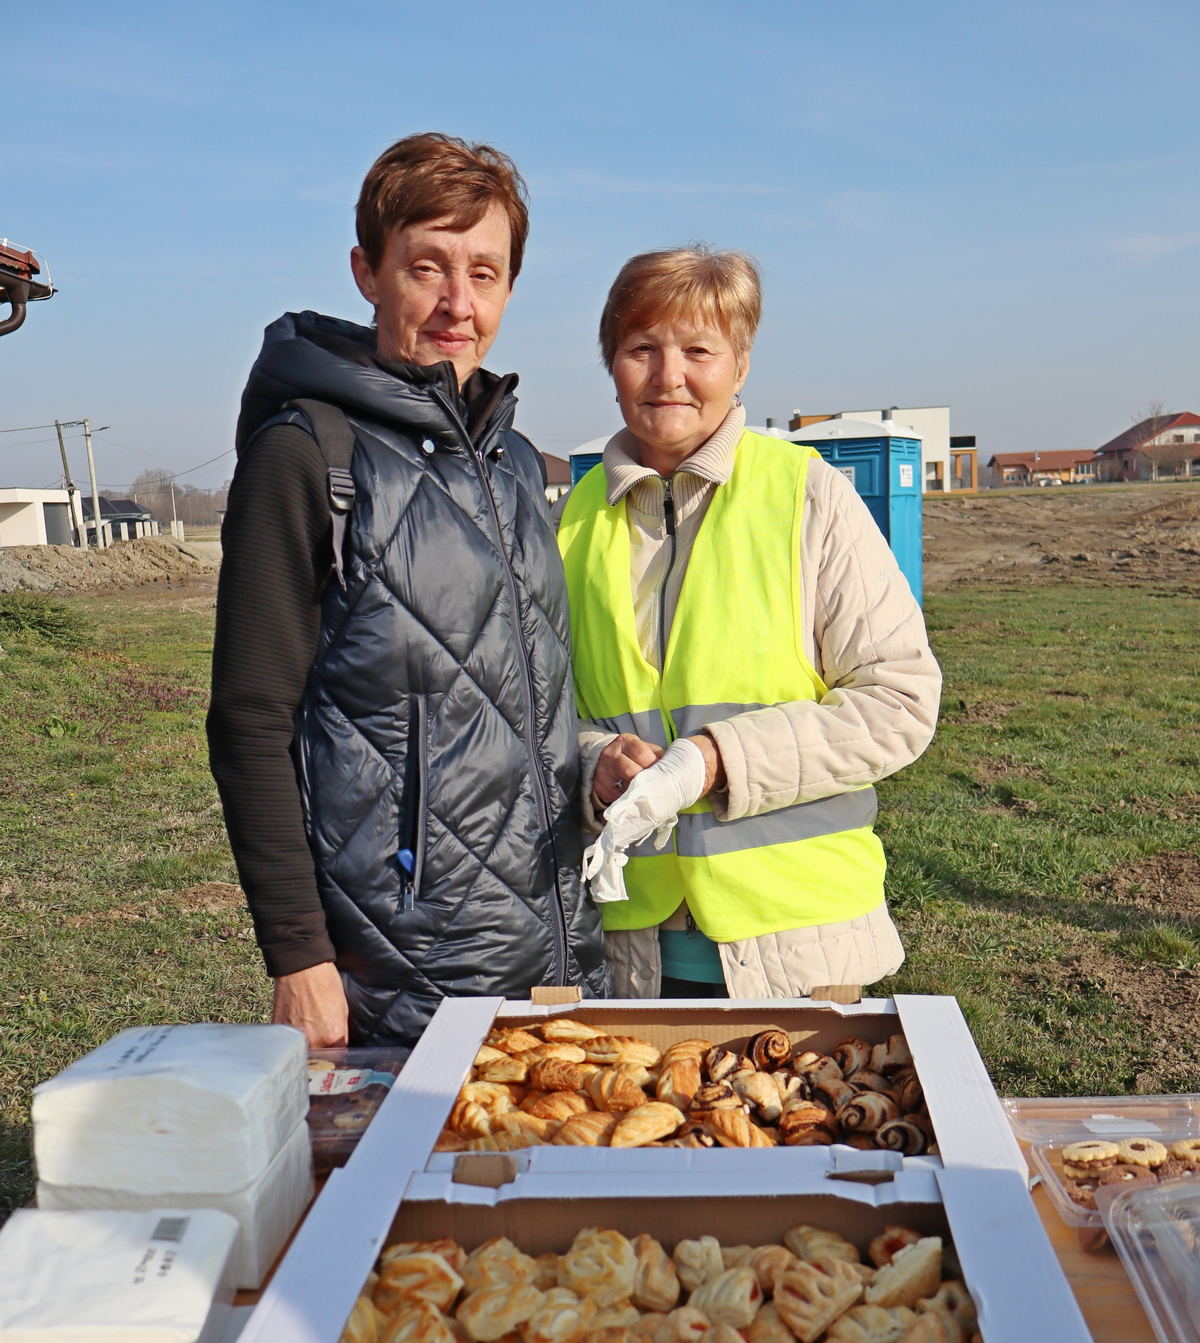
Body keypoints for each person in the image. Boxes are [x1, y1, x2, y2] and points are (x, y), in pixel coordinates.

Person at [208, 133, 606, 1047]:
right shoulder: (308, 455)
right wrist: (298, 958)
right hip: (401, 974)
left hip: (557, 958)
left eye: (485, 273)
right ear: (368, 272)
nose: (458, 303)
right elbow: (249, 720)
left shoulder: (514, 463)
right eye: (427, 267)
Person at [556, 246, 941, 1001]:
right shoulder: (570, 522)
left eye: (698, 351)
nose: (669, 376)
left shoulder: (809, 497)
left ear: (741, 365)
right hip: (628, 957)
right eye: (642, 349)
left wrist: (713, 762)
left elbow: (899, 702)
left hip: (801, 953)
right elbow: (535, 718)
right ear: (612, 365)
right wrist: (595, 761)